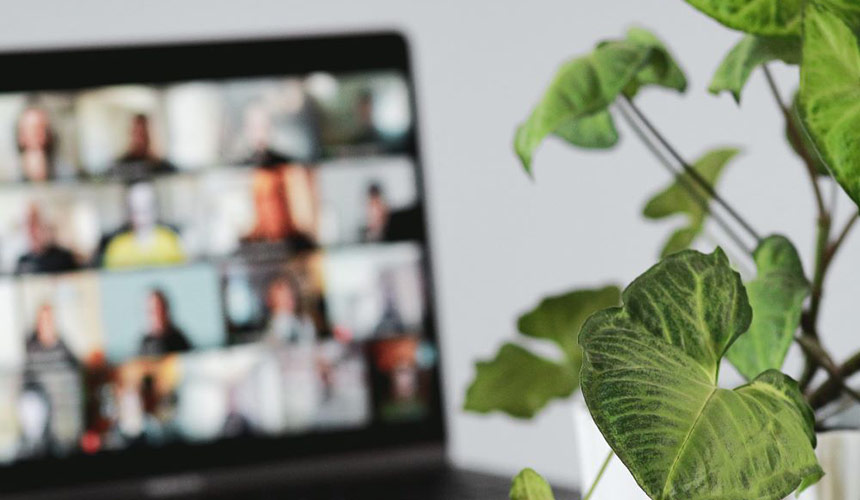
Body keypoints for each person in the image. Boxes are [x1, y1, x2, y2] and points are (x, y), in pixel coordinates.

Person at [102, 182, 185, 269]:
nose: (141, 218)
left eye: (145, 210)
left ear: (155, 209)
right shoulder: (117, 248)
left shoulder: (170, 242)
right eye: (135, 211)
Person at [242, 168, 315, 251]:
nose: (272, 205)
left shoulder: (303, 244)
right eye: (265, 198)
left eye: (279, 195)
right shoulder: (248, 246)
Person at [15, 203, 78, 274]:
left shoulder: (64, 258)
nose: (30, 230)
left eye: (35, 223)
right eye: (26, 224)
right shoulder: (22, 261)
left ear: (45, 225)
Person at [108, 114, 176, 181]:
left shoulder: (164, 167)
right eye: (136, 133)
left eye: (143, 134)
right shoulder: (119, 166)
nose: (140, 140)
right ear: (131, 134)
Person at [263, 274, 316, 345]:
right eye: (282, 297)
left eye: (290, 294)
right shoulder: (273, 327)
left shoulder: (304, 321)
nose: (288, 300)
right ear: (270, 301)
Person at [138, 289, 191, 356]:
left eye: (160, 309)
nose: (158, 314)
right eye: (154, 310)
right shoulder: (145, 344)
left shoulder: (179, 339)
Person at [239, 102, 293, 167]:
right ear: (245, 130)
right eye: (254, 127)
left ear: (272, 128)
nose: (259, 135)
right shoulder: (236, 168)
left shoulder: (288, 165)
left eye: (263, 127)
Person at [16, 106, 56, 182]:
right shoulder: (9, 175)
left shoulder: (66, 173)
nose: (36, 134)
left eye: (40, 128)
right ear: (21, 136)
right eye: (31, 129)